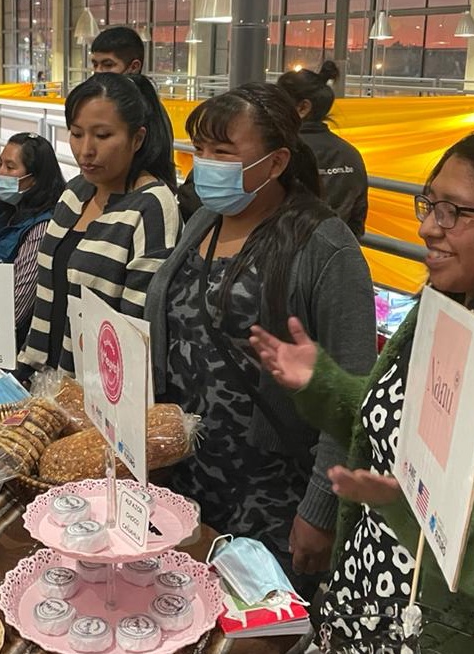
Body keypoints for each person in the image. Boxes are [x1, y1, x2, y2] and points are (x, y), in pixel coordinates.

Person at [251, 127, 474, 654]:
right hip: (367, 592)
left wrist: (421, 509)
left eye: (453, 212)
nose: (425, 227)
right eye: (428, 203)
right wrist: (322, 384)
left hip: (448, 645)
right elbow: (387, 424)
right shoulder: (439, 310)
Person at [144, 83, 376, 593]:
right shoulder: (205, 219)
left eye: (223, 153)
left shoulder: (323, 247)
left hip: (272, 498)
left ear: (275, 164)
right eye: (200, 150)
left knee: (256, 649)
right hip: (185, 481)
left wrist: (319, 509)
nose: (204, 164)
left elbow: (353, 395)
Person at [19, 73, 181, 377]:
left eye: (103, 136)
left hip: (96, 396)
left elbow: (135, 329)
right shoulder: (76, 190)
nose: (85, 150)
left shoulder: (152, 207)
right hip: (43, 380)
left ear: (137, 139)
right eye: (77, 133)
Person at [0, 133, 66, 347]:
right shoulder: (5, 212)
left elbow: (15, 309)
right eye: (0, 163)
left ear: (35, 177)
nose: (0, 173)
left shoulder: (42, 228)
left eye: (10, 167)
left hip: (6, 344)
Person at [277, 60, 368, 237]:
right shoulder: (351, 155)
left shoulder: (279, 151)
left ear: (303, 107)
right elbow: (357, 223)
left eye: (277, 103)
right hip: (335, 254)